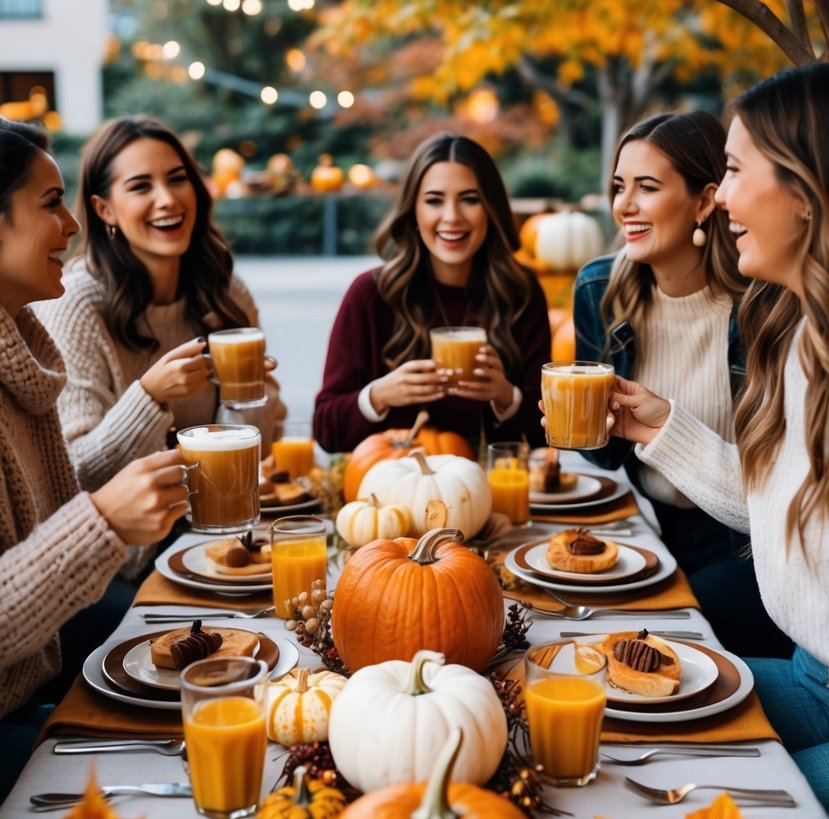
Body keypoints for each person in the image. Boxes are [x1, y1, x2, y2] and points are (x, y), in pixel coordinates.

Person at [610, 64, 829, 809]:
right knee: (595, 700)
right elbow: (772, 503)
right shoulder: (795, 335)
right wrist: (660, 428)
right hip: (812, 673)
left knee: (703, 811)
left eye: (734, 171)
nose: (722, 195)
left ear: (802, 192)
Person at [0, 117, 190, 800]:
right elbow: (81, 499)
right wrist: (105, 521)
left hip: (31, 684)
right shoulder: (67, 317)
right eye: (52, 204)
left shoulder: (21, 349)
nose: (73, 227)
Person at [573, 111, 790, 657]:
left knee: (654, 639)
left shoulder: (763, 304)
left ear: (703, 201)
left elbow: (774, 487)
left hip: (746, 545)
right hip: (654, 525)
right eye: (619, 186)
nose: (625, 205)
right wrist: (585, 421)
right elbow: (601, 458)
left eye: (648, 187)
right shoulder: (601, 288)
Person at [35, 115, 286, 497]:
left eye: (177, 178)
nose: (168, 199)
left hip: (215, 530)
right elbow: (77, 473)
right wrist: (150, 396)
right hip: (129, 554)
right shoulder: (76, 305)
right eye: (140, 187)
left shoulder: (226, 295)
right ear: (105, 209)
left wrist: (252, 397)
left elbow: (254, 458)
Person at [314, 132, 551, 453]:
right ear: (413, 210)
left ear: (491, 208)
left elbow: (546, 436)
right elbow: (326, 430)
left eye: (470, 199)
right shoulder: (370, 294)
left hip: (491, 491)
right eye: (434, 200)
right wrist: (379, 395)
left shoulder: (520, 294)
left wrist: (505, 396)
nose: (451, 216)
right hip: (389, 493)